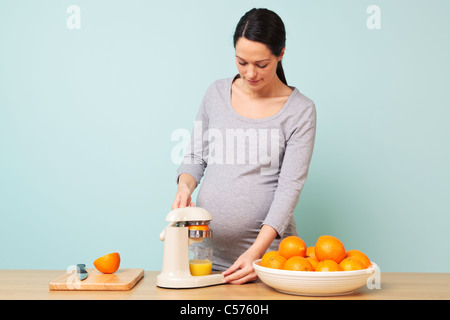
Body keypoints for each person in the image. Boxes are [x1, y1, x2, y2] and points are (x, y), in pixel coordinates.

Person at [172, 8, 316, 284]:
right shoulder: (215, 92)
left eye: (261, 64)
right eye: (241, 62)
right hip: (204, 255)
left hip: (267, 261)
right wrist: (184, 187)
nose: (250, 73)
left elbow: (289, 188)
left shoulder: (300, 110)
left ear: (281, 53)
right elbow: (194, 156)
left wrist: (256, 254)